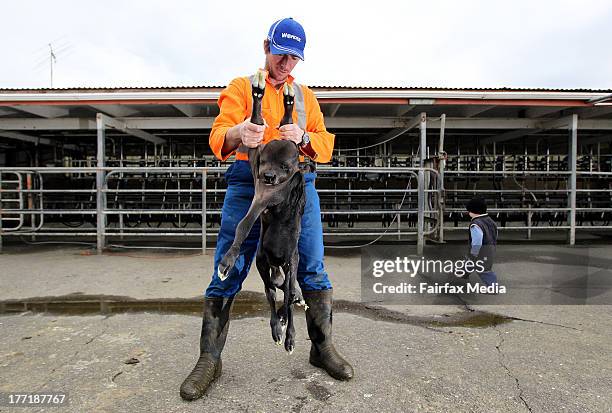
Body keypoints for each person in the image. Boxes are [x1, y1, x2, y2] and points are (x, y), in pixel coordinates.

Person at [180, 17, 354, 401]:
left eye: (295, 58)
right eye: (282, 54)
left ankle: (321, 346)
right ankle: (209, 358)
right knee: (229, 264)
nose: (288, 63)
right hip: (249, 183)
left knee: (311, 264)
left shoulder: (306, 97)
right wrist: (239, 132)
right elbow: (217, 135)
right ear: (266, 47)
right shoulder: (242, 88)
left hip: (298, 189)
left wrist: (306, 137)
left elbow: (325, 147)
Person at [465, 197, 498, 287]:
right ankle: (463, 272)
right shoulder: (490, 221)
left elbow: (477, 240)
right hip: (491, 249)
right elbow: (495, 234)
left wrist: (474, 252)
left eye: (469, 211)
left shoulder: (475, 224)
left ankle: (493, 287)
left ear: (473, 211)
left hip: (481, 252)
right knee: (471, 262)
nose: (468, 213)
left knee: (483, 270)